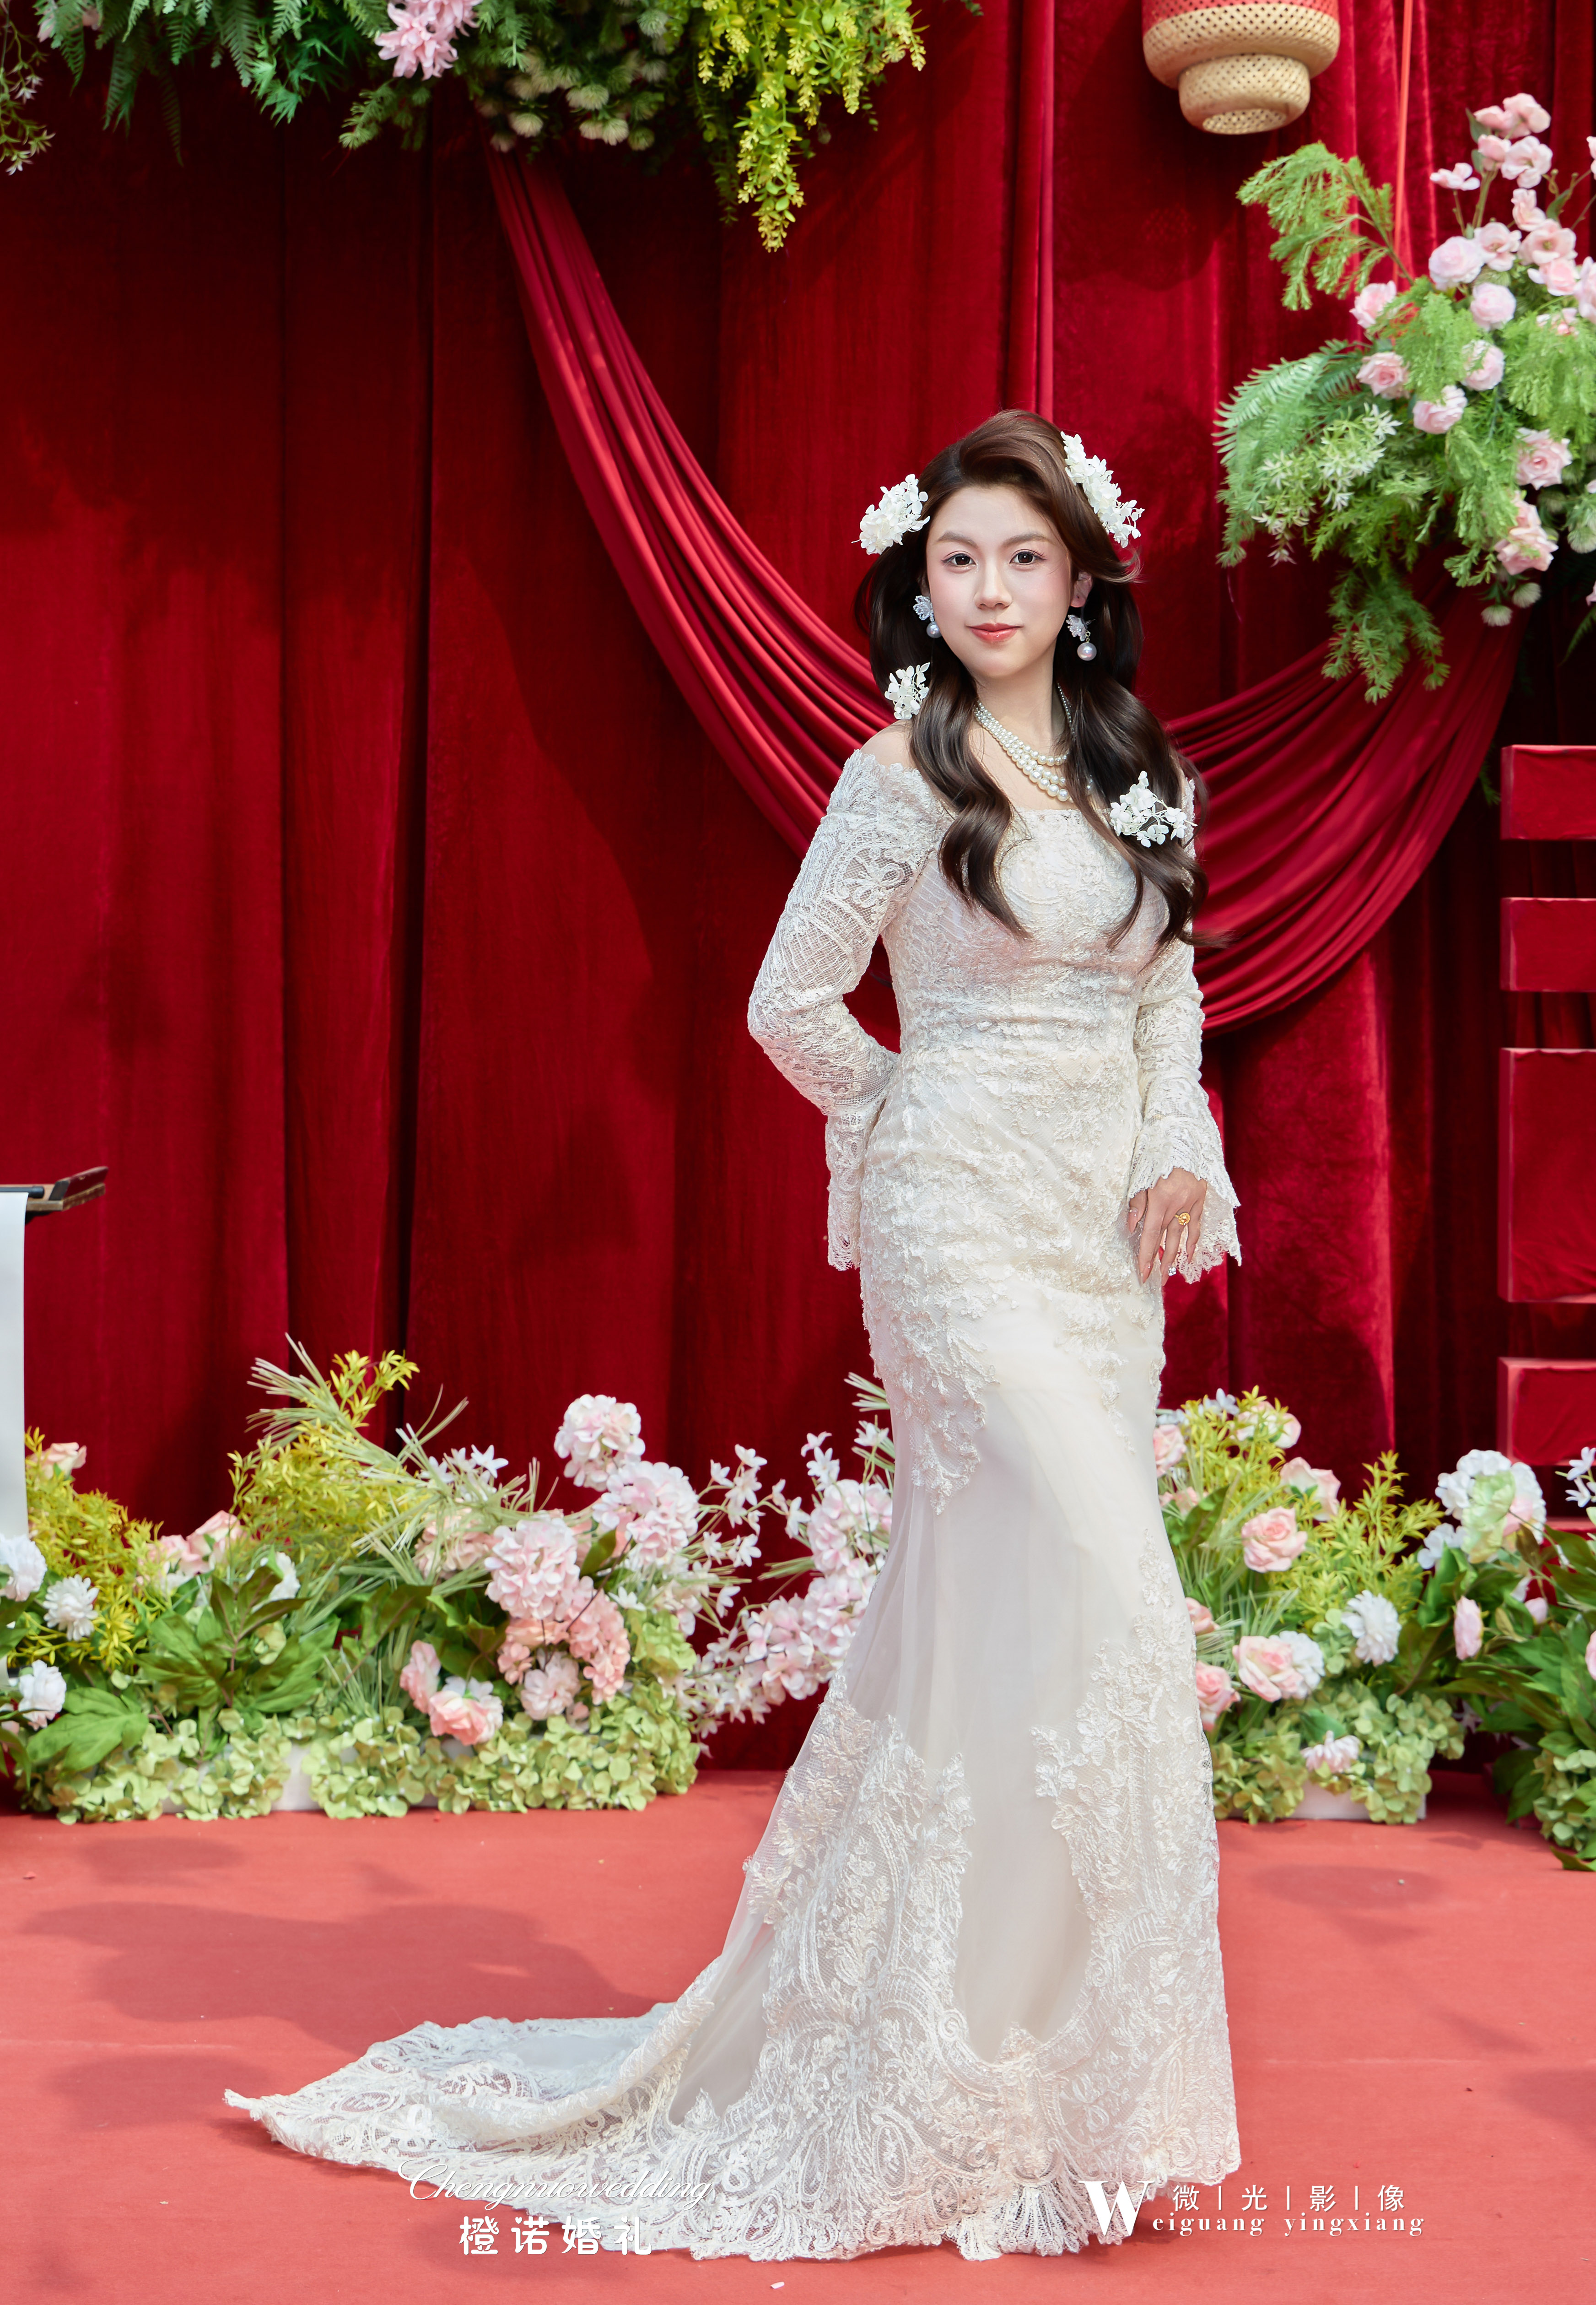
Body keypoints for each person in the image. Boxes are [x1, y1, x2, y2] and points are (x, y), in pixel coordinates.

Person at [228, 409, 1241, 2260]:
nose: (990, 590)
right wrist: (909, 1112)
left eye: (1022, 559)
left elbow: (1164, 993)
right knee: (1107, 1591)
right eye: (958, 560)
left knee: (1025, 1630)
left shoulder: (1138, 769)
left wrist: (1176, 1140)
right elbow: (791, 1000)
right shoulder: (897, 775)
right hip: (957, 1233)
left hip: (1099, 1254)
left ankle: (1017, 2076)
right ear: (919, 587)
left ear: (1081, 584)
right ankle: (928, 2076)